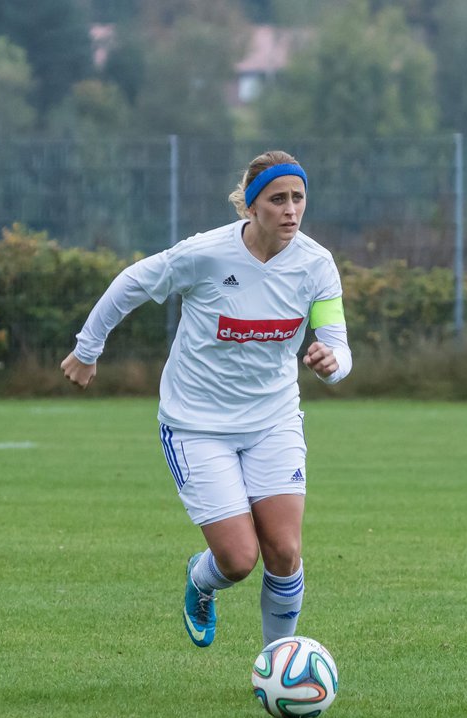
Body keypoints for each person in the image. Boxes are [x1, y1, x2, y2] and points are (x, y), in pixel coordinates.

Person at [60, 150, 352, 650]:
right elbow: (132, 283)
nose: (290, 210)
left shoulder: (316, 265)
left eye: (298, 198)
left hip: (273, 421)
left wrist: (332, 362)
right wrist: (88, 350)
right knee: (239, 560)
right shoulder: (206, 255)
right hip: (196, 425)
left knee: (283, 550)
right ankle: (201, 580)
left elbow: (338, 344)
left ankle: (276, 662)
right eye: (277, 199)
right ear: (250, 207)